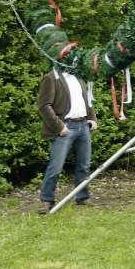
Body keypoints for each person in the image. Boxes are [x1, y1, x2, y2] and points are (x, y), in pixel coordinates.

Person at [37, 67, 98, 213]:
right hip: (66, 127)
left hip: (84, 126)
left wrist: (92, 118)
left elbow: (87, 99)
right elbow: (44, 105)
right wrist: (59, 126)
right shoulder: (50, 77)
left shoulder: (79, 76)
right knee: (56, 167)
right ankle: (47, 200)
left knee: (84, 165)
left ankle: (82, 198)